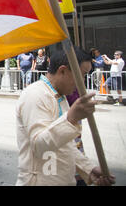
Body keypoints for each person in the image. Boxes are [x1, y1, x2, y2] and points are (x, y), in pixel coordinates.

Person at [15, 47, 115, 186]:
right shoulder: (35, 94)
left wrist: (88, 169)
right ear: (62, 70)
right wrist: (71, 118)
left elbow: (66, 145)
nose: (83, 82)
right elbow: (39, 145)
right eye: (82, 75)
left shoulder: (59, 96)